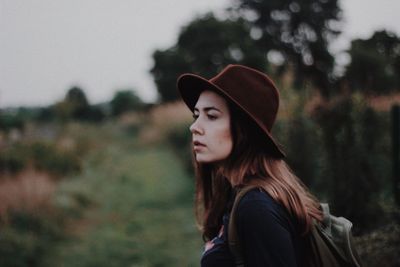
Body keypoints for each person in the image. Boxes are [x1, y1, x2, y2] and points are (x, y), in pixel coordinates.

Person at [177, 64, 323, 267]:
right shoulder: (236, 193)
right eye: (196, 115)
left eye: (211, 116)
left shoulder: (256, 208)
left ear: (243, 130)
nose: (195, 127)